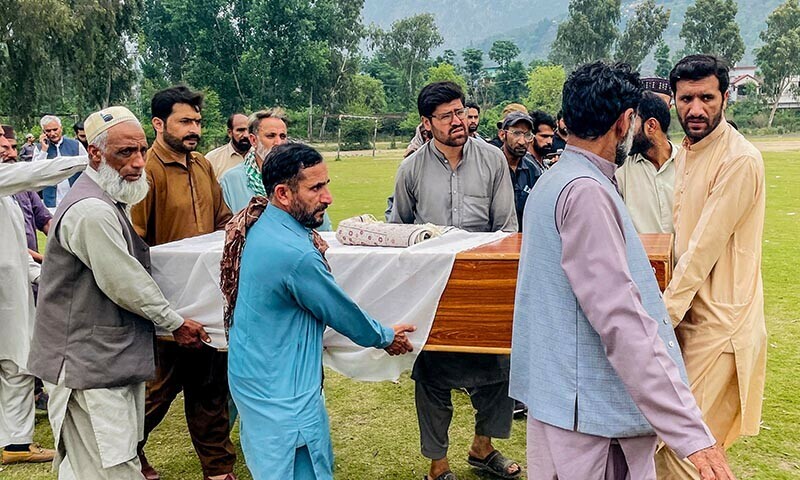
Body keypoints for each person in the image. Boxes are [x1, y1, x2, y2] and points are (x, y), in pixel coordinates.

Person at [510, 61, 735, 480]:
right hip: (591, 415)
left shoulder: (557, 180)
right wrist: (692, 434)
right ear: (625, 121)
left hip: (565, 401)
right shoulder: (585, 193)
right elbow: (621, 320)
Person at [27, 106, 210, 479]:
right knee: (114, 467)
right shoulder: (91, 210)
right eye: (125, 152)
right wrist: (174, 322)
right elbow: (124, 281)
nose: (139, 162)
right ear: (95, 153)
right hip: (87, 366)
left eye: (141, 150)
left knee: (89, 467)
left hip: (99, 361)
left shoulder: (108, 200)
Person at [221, 142, 415, 479]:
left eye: (326, 185)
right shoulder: (294, 253)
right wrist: (385, 337)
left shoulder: (262, 224)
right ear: (282, 193)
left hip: (254, 376)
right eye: (315, 188)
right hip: (284, 393)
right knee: (300, 469)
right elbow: (340, 311)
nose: (328, 198)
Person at [389, 81, 520, 480]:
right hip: (433, 291)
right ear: (426, 123)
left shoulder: (493, 160)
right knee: (432, 378)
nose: (457, 121)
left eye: (460, 112)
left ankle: (483, 449)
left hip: (484, 286)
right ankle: (438, 465)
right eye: (446, 116)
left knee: (499, 370)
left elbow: (507, 229)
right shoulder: (411, 169)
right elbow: (399, 233)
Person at [655, 54, 767, 480]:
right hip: (691, 319)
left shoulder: (738, 160)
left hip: (722, 328)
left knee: (680, 447)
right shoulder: (687, 153)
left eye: (707, 98)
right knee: (698, 448)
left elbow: (701, 250)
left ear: (725, 98)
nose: (696, 109)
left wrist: (659, 320)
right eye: (687, 99)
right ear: (674, 101)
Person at [131, 86, 236, 480]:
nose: (195, 129)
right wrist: (157, 311)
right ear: (158, 124)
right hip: (165, 308)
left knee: (211, 388)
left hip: (207, 300)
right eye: (185, 121)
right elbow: (135, 242)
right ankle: (125, 455)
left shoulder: (202, 165)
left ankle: (218, 470)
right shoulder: (146, 170)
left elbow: (223, 220)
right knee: (156, 393)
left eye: (198, 121)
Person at [0, 125, 86, 465]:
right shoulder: (8, 180)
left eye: (8, 143)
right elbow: (35, 173)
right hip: (7, 298)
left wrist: (49, 274)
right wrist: (89, 159)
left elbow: (13, 253)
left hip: (11, 296)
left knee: (17, 367)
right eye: (1, 144)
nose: (7, 148)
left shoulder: (8, 196)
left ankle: (16, 445)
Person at [615, 91, 679, 234]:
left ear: (651, 126)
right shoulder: (621, 172)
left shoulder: (689, 164)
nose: (624, 129)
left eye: (631, 120)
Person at [497, 112, 541, 230]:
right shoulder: (491, 166)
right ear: (502, 135)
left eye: (527, 135)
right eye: (516, 133)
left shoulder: (533, 169)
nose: (522, 141)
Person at [34, 115, 87, 207]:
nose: (52, 133)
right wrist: (44, 150)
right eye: (48, 131)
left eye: (55, 129)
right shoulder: (39, 148)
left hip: (75, 198)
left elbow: (88, 166)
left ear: (61, 128)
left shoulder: (75, 145)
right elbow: (35, 171)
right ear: (43, 132)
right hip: (51, 201)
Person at [206, 113, 251, 178]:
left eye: (249, 130)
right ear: (230, 133)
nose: (246, 135)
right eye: (240, 130)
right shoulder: (212, 159)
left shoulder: (261, 156)